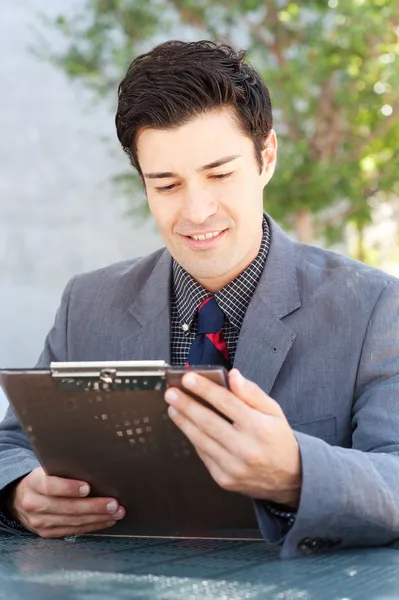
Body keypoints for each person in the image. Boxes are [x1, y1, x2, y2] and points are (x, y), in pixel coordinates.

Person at [0, 40, 399, 560]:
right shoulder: (88, 304)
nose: (196, 211)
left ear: (266, 157)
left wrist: (296, 474)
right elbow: (12, 444)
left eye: (219, 174)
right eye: (166, 185)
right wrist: (20, 493)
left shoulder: (373, 306)